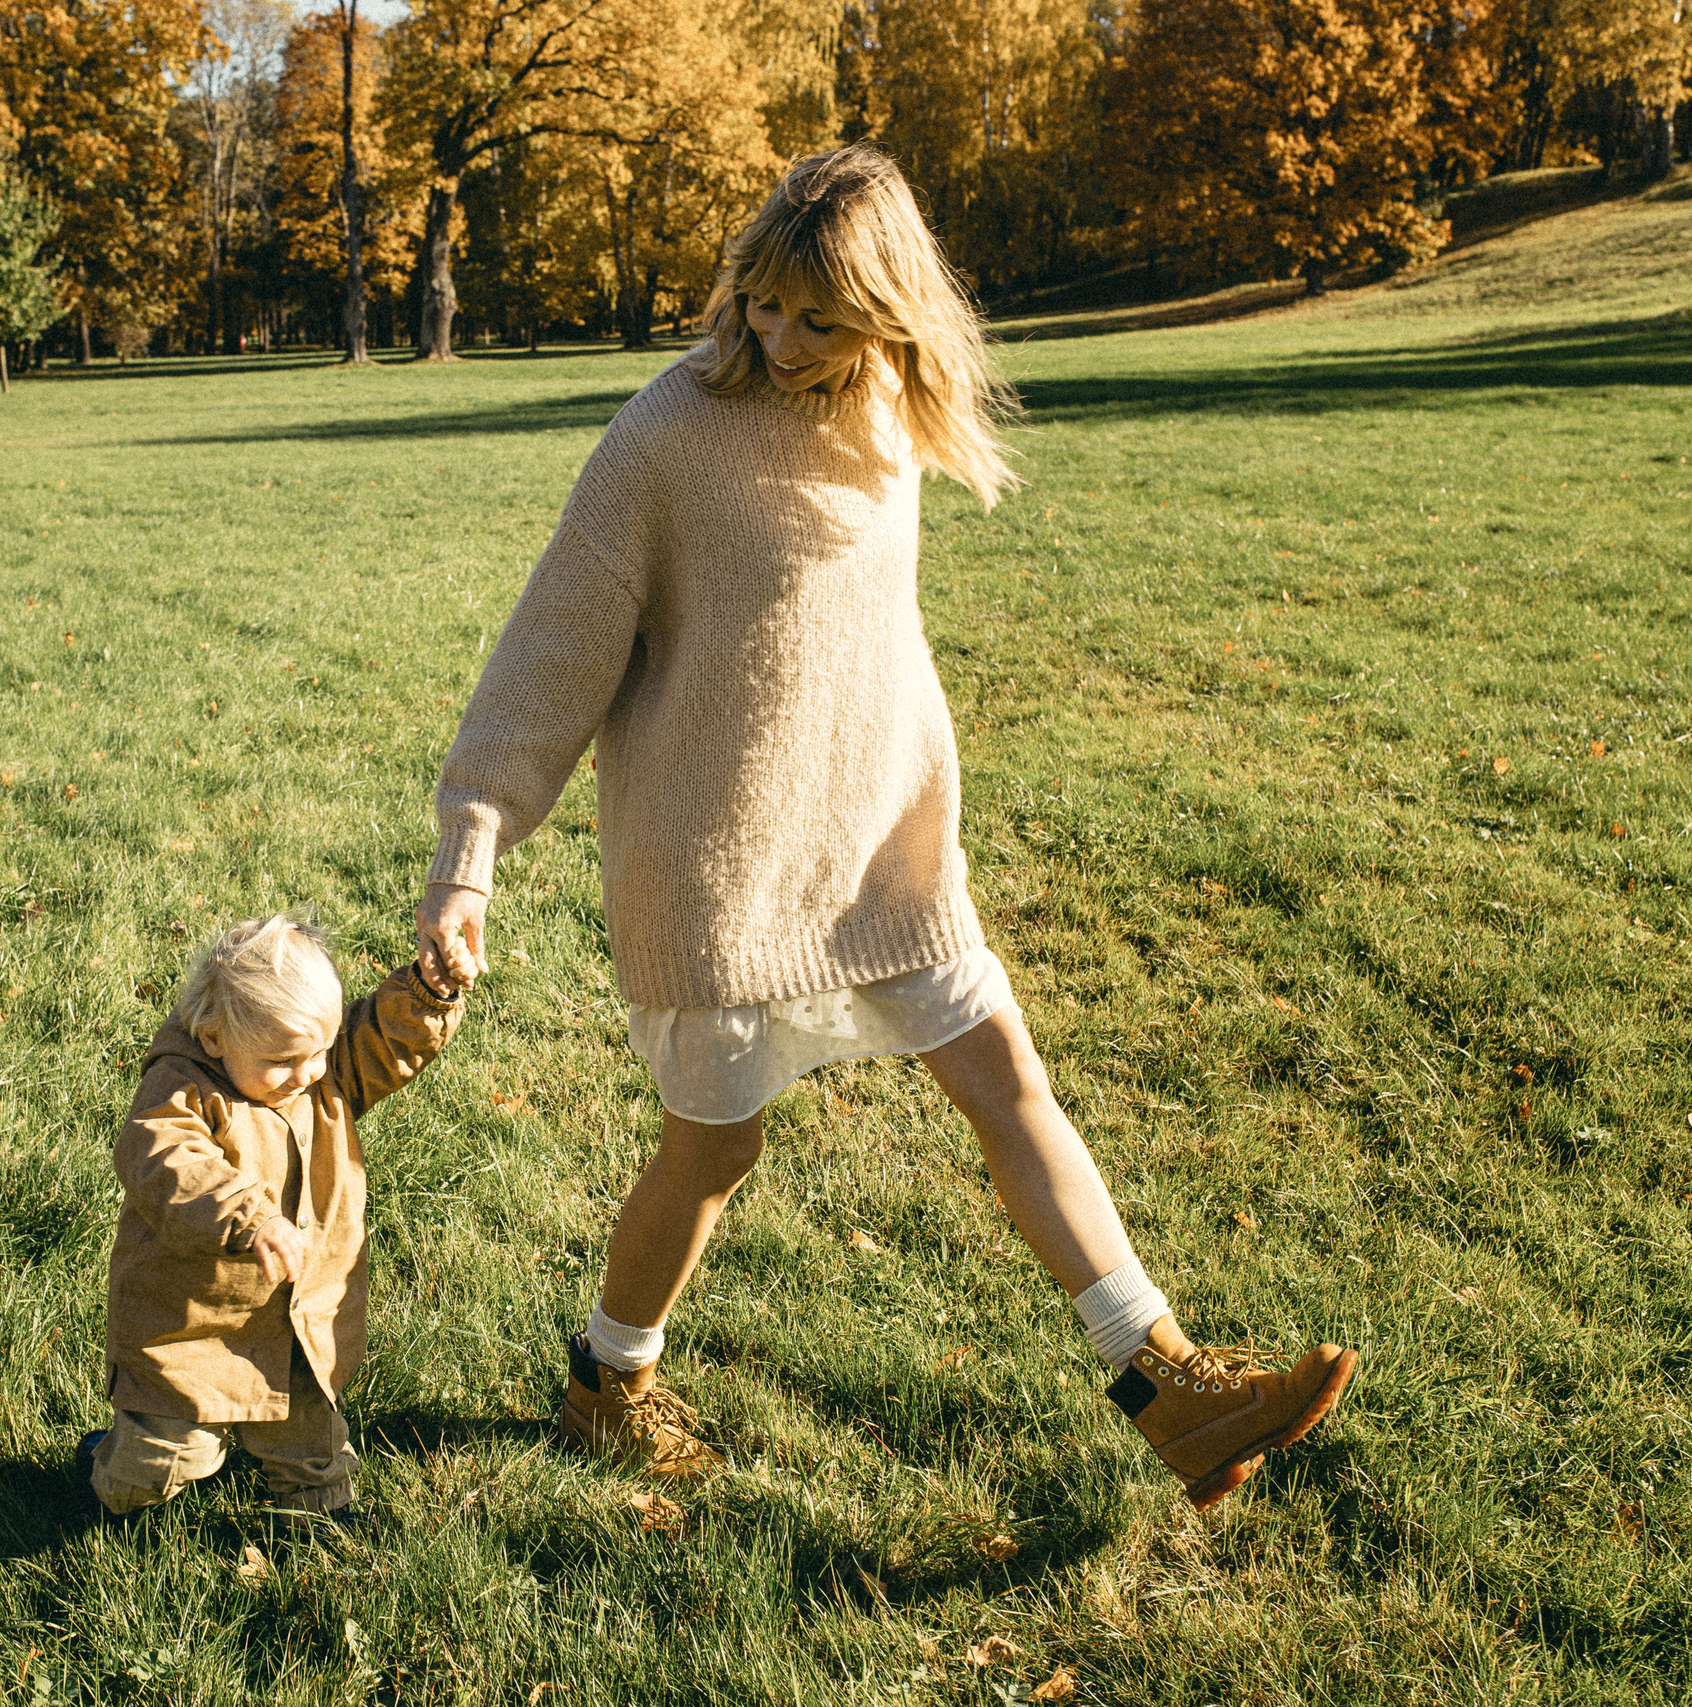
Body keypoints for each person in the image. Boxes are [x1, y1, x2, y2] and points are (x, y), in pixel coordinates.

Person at [415, 145, 1355, 1511]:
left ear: (887, 311)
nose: (781, 338)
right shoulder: (666, 435)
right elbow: (551, 650)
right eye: (763, 303)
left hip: (881, 847)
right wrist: (470, 851)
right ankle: (607, 1380)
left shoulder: (890, 412)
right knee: (712, 1151)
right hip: (721, 871)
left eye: (820, 316)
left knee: (1007, 1077)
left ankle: (1166, 1381)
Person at [79, 913, 465, 1522]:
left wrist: (428, 993)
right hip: (194, 1325)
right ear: (214, 1038)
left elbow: (384, 1041)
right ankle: (111, 1473)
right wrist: (249, 1215)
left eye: (320, 1052)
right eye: (283, 1059)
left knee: (311, 1442)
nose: (308, 1073)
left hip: (299, 1319)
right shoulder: (180, 1089)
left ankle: (320, 1519)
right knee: (170, 1454)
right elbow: (167, 1159)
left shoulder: (318, 1075)